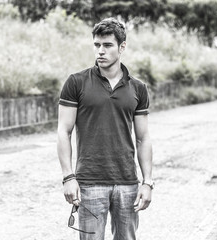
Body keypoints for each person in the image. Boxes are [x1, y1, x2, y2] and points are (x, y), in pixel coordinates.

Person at [57, 17, 153, 240]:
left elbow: (143, 138)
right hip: (89, 181)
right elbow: (64, 131)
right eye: (97, 45)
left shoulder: (138, 88)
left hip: (128, 182)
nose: (100, 51)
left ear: (122, 47)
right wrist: (68, 177)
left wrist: (148, 182)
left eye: (107, 45)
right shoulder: (76, 82)